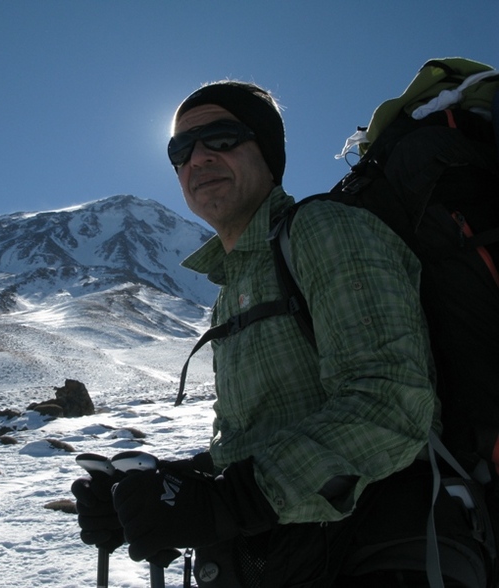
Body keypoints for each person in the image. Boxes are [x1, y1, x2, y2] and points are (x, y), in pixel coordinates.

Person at [72, 80, 487, 587]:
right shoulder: (232, 288)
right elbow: (258, 443)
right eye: (180, 149)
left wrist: (229, 501)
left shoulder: (324, 230)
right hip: (284, 557)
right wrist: (159, 493)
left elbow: (390, 404)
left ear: (268, 151)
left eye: (221, 138)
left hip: (376, 551)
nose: (197, 157)